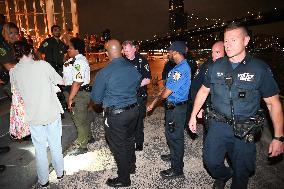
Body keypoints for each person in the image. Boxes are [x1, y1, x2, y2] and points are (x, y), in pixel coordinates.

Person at [188, 22, 284, 189]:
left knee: (242, 170)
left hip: (244, 128)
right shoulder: (216, 65)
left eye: (233, 40)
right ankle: (224, 175)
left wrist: (278, 137)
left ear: (246, 41)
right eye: (226, 40)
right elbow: (203, 91)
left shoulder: (259, 69)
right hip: (218, 124)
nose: (228, 45)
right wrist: (193, 116)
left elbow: (273, 104)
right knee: (210, 160)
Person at [10, 41, 65, 188]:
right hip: (51, 112)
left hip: (33, 116)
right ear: (31, 51)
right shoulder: (42, 65)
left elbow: (17, 94)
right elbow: (60, 80)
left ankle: (43, 181)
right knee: (55, 145)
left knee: (39, 150)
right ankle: (60, 173)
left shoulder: (13, 72)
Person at [91, 39, 141, 187]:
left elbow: (96, 99)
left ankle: (124, 179)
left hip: (116, 115)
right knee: (129, 140)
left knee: (118, 146)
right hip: (133, 110)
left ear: (107, 53)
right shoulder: (132, 68)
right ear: (121, 51)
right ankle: (131, 166)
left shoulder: (104, 73)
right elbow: (137, 84)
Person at [147, 41, 191, 179]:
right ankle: (174, 156)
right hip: (175, 107)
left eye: (170, 51)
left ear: (176, 52)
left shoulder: (180, 70)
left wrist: (153, 103)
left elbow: (166, 92)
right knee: (171, 134)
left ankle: (177, 169)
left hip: (176, 109)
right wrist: (155, 100)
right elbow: (166, 89)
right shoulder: (180, 66)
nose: (168, 53)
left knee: (175, 137)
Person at [63, 37, 91, 156]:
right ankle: (87, 137)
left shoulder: (79, 62)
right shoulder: (74, 60)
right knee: (83, 118)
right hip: (78, 92)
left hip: (77, 94)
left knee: (78, 121)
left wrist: (70, 98)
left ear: (77, 50)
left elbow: (77, 82)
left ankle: (82, 146)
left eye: (70, 48)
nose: (68, 50)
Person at [122, 40, 151, 151]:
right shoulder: (122, 61)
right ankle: (128, 140)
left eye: (128, 50)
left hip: (138, 95)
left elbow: (147, 79)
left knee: (138, 120)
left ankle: (139, 142)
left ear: (134, 49)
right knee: (126, 119)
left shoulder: (142, 61)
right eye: (124, 50)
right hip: (125, 97)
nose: (126, 53)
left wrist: (134, 86)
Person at [191, 41, 225, 119]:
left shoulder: (232, 66)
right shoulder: (208, 66)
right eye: (212, 52)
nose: (213, 56)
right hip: (210, 109)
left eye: (217, 52)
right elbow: (195, 87)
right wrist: (198, 109)